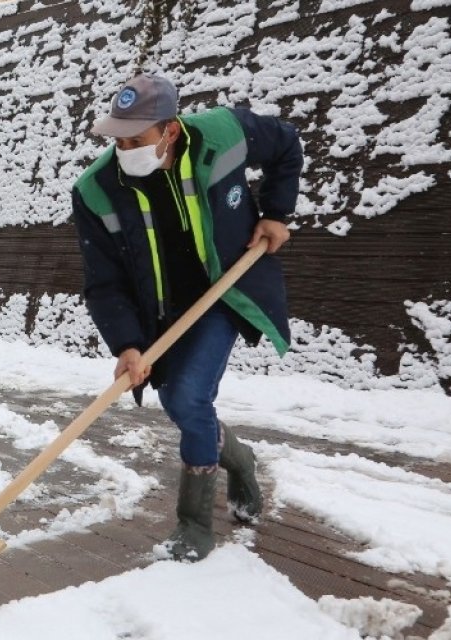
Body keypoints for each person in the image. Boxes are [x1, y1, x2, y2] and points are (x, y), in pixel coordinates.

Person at [71, 73, 302, 561]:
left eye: (137, 138)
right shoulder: (96, 191)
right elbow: (104, 281)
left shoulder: (223, 134)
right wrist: (127, 344)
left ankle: (193, 525)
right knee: (183, 407)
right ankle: (239, 458)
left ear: (170, 130)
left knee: (188, 397)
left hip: (224, 291)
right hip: (162, 312)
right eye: (117, 138)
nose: (124, 148)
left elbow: (286, 144)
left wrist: (276, 213)